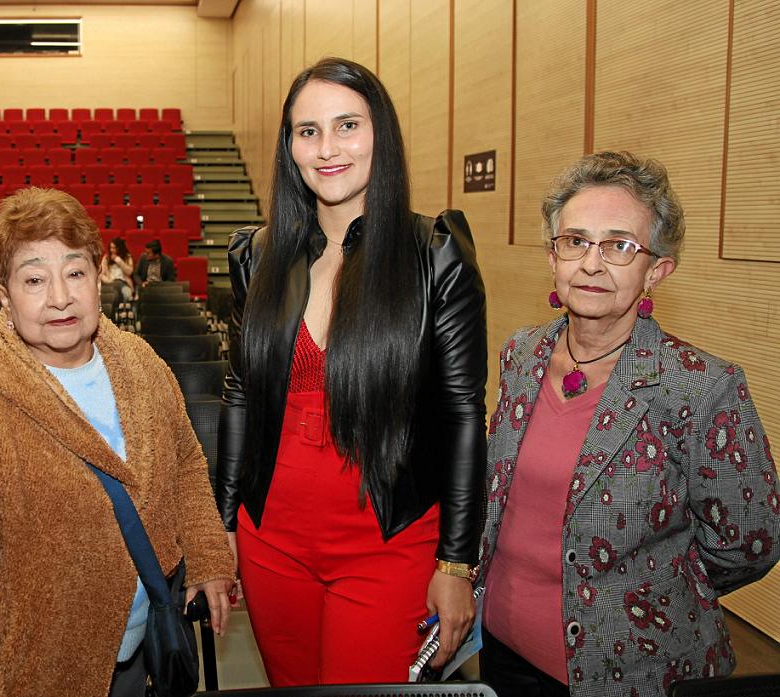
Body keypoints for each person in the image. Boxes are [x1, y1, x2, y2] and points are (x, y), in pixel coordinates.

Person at [216, 56, 487, 686]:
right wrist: (224, 522)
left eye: (347, 125)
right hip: (270, 542)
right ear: (289, 146)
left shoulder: (435, 254)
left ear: (380, 136)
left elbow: (463, 415)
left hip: (388, 544)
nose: (327, 148)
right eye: (307, 131)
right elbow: (240, 397)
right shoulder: (256, 256)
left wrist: (455, 564)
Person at [0, 187, 234, 697]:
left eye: (75, 273)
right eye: (35, 279)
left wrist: (209, 556)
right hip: (41, 672)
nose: (59, 297)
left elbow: (186, 462)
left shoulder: (141, 363)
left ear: (98, 274)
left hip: (141, 655)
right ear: (3, 296)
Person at [478, 151, 780, 697]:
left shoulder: (700, 384)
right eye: (575, 241)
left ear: (655, 270)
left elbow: (749, 543)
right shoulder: (521, 353)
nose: (591, 264)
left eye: (620, 246)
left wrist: (647, 585)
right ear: (553, 257)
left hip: (631, 672)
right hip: (500, 651)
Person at [102, 237, 134, 313]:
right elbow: (102, 274)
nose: (112, 250)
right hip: (110, 283)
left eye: (114, 248)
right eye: (111, 248)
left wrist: (118, 260)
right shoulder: (106, 258)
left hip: (123, 283)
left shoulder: (127, 257)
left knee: (124, 293)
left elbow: (129, 272)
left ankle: (115, 318)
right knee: (115, 295)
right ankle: (114, 317)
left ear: (120, 248)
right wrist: (108, 280)